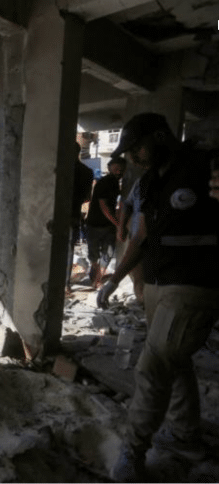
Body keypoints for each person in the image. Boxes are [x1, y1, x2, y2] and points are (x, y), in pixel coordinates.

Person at [96, 113, 219, 482]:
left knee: (153, 365)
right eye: (128, 151)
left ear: (161, 137)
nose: (132, 156)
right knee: (174, 362)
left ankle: (133, 453)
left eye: (136, 147)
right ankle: (185, 435)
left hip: (195, 284)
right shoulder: (148, 182)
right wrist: (114, 280)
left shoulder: (204, 166)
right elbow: (139, 237)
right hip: (156, 283)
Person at [85, 156, 125, 287]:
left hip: (104, 225)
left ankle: (97, 279)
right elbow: (104, 206)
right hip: (96, 224)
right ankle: (96, 275)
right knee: (95, 254)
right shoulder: (105, 182)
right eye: (116, 168)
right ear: (109, 168)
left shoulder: (113, 183)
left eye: (121, 169)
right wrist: (117, 223)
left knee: (106, 254)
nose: (119, 172)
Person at [66, 142, 94, 291]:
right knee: (69, 249)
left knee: (49, 249)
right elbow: (86, 197)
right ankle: (65, 285)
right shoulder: (87, 172)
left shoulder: (60, 170)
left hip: (54, 216)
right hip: (74, 215)